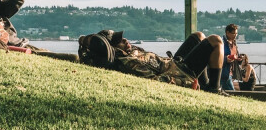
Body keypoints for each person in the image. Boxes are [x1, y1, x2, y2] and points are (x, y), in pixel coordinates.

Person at [80, 30, 229, 96]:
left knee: (198, 36)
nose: (125, 40)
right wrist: (185, 83)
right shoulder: (128, 62)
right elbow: (155, 81)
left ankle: (208, 84)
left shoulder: (131, 51)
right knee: (215, 41)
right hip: (179, 72)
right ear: (113, 48)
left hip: (174, 63)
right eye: (119, 41)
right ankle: (214, 89)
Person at [221, 24, 241, 91]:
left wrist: (239, 59)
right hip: (223, 73)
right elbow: (216, 57)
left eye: (236, 33)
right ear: (227, 32)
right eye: (233, 33)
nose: (235, 35)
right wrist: (226, 59)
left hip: (231, 73)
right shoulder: (221, 43)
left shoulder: (234, 43)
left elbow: (236, 55)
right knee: (232, 92)